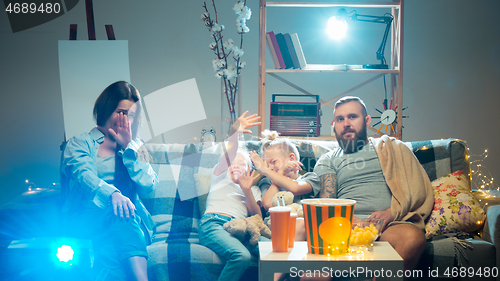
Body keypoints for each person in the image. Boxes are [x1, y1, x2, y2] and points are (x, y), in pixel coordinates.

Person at [312, 96, 434, 280]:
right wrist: (351, 220)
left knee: (413, 238)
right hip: (345, 226)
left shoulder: (391, 148)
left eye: (352, 116)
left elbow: (416, 189)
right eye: (340, 119)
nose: (346, 123)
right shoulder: (328, 159)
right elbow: (327, 201)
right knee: (313, 274)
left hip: (388, 226)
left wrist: (390, 212)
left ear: (367, 121)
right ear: (334, 124)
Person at [60, 81, 158, 281]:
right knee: (117, 214)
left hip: (131, 223)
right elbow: (83, 174)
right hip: (88, 217)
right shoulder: (80, 143)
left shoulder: (135, 147)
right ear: (106, 109)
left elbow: (148, 186)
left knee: (111, 245)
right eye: (121, 112)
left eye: (131, 115)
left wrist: (128, 147)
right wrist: (113, 194)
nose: (126, 119)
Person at [198, 111, 263, 281]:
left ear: (249, 170)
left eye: (242, 164)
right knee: (242, 256)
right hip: (214, 223)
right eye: (233, 162)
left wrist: (247, 190)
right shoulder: (220, 176)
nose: (236, 166)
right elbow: (230, 153)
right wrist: (235, 132)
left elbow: (258, 219)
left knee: (274, 250)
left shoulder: (253, 190)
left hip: (243, 228)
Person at [250, 130, 320, 241]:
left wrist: (265, 170)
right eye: (266, 165)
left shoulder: (310, 178)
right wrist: (279, 173)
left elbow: (296, 188)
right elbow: (268, 204)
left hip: (300, 228)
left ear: (291, 159)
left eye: (273, 162)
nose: (270, 168)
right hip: (274, 228)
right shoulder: (267, 182)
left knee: (301, 223)